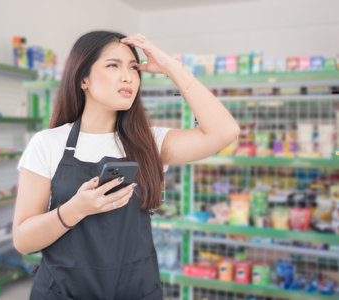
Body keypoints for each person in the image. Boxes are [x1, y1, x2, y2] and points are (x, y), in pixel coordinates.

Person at [13, 31, 239, 299]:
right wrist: (75, 210)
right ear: (83, 78)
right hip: (64, 292)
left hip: (136, 290)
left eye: (133, 67)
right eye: (113, 65)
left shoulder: (149, 142)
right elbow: (23, 241)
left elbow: (225, 132)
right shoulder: (48, 143)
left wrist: (172, 68)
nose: (128, 76)